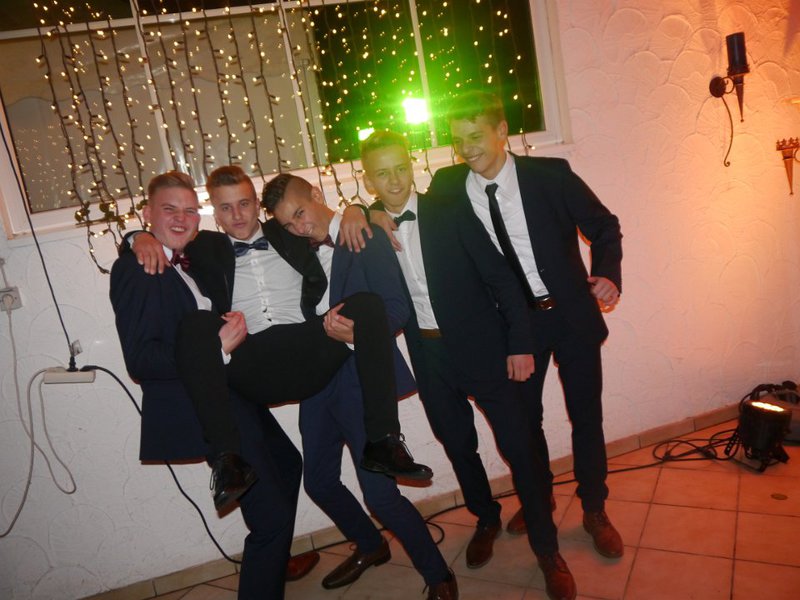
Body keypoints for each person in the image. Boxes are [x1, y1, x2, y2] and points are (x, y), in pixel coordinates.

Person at [126, 167, 433, 512]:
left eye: (244, 204)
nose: (237, 215)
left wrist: (358, 210)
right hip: (251, 361)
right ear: (214, 213)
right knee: (197, 324)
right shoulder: (202, 248)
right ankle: (227, 461)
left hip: (307, 350)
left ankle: (384, 441)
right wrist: (138, 237)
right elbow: (162, 238)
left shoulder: (289, 231)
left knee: (367, 304)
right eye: (225, 208)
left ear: (258, 206)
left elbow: (326, 220)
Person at [353, 130, 575, 600]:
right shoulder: (370, 231)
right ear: (368, 179)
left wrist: (519, 344)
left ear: (412, 165)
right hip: (428, 353)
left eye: (400, 168)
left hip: (484, 348)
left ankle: (547, 549)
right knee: (457, 445)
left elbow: (501, 279)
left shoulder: (449, 209)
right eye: (382, 174)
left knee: (520, 448)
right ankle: (486, 517)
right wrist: (361, 211)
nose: (394, 181)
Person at [429, 91, 624, 563]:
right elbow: (406, 213)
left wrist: (607, 274)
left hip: (571, 315)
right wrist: (361, 212)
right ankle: (542, 498)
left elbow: (604, 226)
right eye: (458, 140)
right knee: (525, 423)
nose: (467, 149)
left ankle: (595, 508)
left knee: (586, 415)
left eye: (475, 136)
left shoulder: (550, 175)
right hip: (515, 329)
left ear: (501, 131)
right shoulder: (448, 186)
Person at [110, 171, 317, 600]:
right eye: (169, 210)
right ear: (148, 213)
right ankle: (268, 561)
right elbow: (141, 360)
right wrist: (216, 349)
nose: (181, 219)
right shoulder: (138, 268)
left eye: (189, 210)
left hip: (232, 394)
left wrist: (135, 236)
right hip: (200, 405)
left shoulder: (185, 260)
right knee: (270, 516)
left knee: (288, 463)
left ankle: (273, 558)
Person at [262, 173, 458, 599]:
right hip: (316, 381)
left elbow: (397, 309)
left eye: (301, 213)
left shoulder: (365, 236)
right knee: (318, 482)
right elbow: (233, 233)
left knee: (380, 495)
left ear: (317, 194)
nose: (300, 227)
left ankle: (438, 573)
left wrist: (356, 335)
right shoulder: (296, 245)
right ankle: (371, 545)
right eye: (289, 223)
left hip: (359, 379)